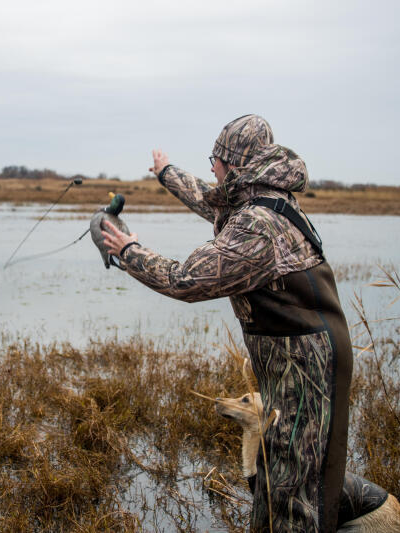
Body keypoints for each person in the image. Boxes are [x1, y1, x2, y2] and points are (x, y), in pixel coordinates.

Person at [101, 114, 352, 533]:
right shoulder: (257, 199)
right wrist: (166, 172)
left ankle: (357, 513)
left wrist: (130, 251)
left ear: (231, 163)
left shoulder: (257, 224)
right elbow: (211, 200)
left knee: (291, 494)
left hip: (306, 368)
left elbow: (187, 280)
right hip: (298, 359)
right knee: (288, 476)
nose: (211, 169)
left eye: (214, 160)